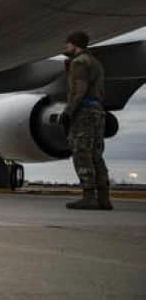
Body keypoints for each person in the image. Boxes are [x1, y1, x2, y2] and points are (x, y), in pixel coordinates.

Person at [61, 31, 111, 210]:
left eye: (68, 44)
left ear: (75, 44)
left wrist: (68, 112)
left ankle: (89, 196)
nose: (65, 47)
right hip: (97, 110)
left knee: (81, 153)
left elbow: (79, 90)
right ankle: (104, 198)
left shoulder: (79, 63)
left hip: (84, 112)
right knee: (96, 155)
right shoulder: (95, 62)